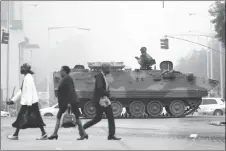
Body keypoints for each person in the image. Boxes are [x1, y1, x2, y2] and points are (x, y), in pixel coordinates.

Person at [6, 63, 47, 140]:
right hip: (31, 102)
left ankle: (15, 135)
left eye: (22, 68)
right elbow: (22, 91)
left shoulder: (28, 78)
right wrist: (13, 100)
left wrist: (28, 104)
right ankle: (43, 133)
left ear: (26, 70)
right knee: (36, 118)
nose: (21, 69)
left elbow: (29, 91)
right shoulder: (27, 77)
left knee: (20, 117)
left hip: (29, 103)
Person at [48, 66, 88, 140]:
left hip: (69, 102)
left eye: (61, 70)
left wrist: (69, 102)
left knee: (60, 116)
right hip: (67, 101)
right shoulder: (66, 79)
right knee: (75, 117)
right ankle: (83, 134)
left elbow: (70, 91)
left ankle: (55, 134)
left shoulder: (67, 79)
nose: (60, 72)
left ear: (65, 71)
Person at [83, 63, 121, 140]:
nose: (110, 70)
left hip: (104, 99)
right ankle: (82, 128)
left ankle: (111, 135)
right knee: (99, 118)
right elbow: (100, 88)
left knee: (108, 117)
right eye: (109, 68)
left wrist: (109, 97)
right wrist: (108, 95)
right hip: (101, 100)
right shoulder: (100, 76)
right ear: (105, 68)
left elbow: (103, 89)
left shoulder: (102, 76)